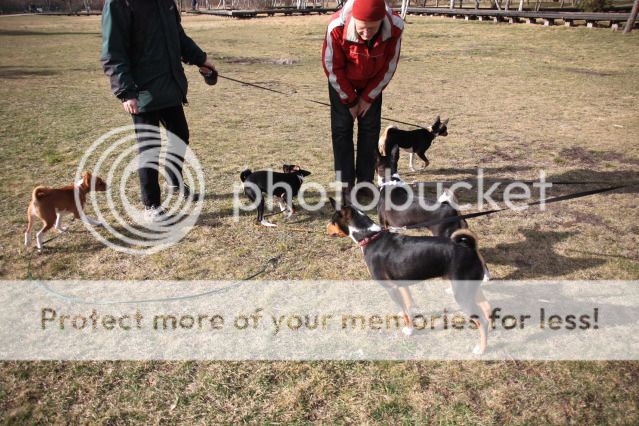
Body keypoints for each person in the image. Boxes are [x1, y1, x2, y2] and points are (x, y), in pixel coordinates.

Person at [100, 0, 216, 221]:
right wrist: (125, 92)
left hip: (169, 85)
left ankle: (174, 181)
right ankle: (151, 205)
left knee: (180, 136)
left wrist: (201, 59)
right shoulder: (118, 3)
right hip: (141, 92)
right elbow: (113, 51)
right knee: (150, 147)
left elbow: (178, 37)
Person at [322, 0, 403, 203]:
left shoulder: (395, 27)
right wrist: (350, 101)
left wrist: (368, 98)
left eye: (372, 28)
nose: (366, 33)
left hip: (372, 82)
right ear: (353, 20)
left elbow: (389, 66)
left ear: (381, 22)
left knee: (370, 128)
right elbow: (331, 66)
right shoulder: (336, 27)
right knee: (342, 129)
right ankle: (345, 185)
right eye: (362, 28)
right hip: (342, 81)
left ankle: (365, 182)